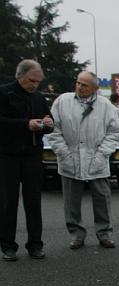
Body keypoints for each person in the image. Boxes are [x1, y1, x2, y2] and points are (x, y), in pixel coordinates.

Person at [48, 71, 119, 249]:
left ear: (95, 89)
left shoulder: (105, 105)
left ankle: (104, 233)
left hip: (97, 159)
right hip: (70, 158)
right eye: (78, 83)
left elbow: (114, 131)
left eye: (84, 85)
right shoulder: (62, 101)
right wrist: (64, 154)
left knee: (102, 199)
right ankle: (76, 234)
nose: (79, 87)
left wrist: (102, 154)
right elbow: (53, 130)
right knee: (71, 202)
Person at [0, 59, 53, 261]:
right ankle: (8, 246)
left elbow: (48, 123)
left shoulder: (38, 98)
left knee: (34, 201)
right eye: (31, 81)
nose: (35, 85)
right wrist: (25, 124)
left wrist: (48, 123)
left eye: (38, 82)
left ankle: (35, 244)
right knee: (8, 202)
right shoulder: (4, 93)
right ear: (20, 76)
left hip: (32, 155)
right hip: (8, 156)